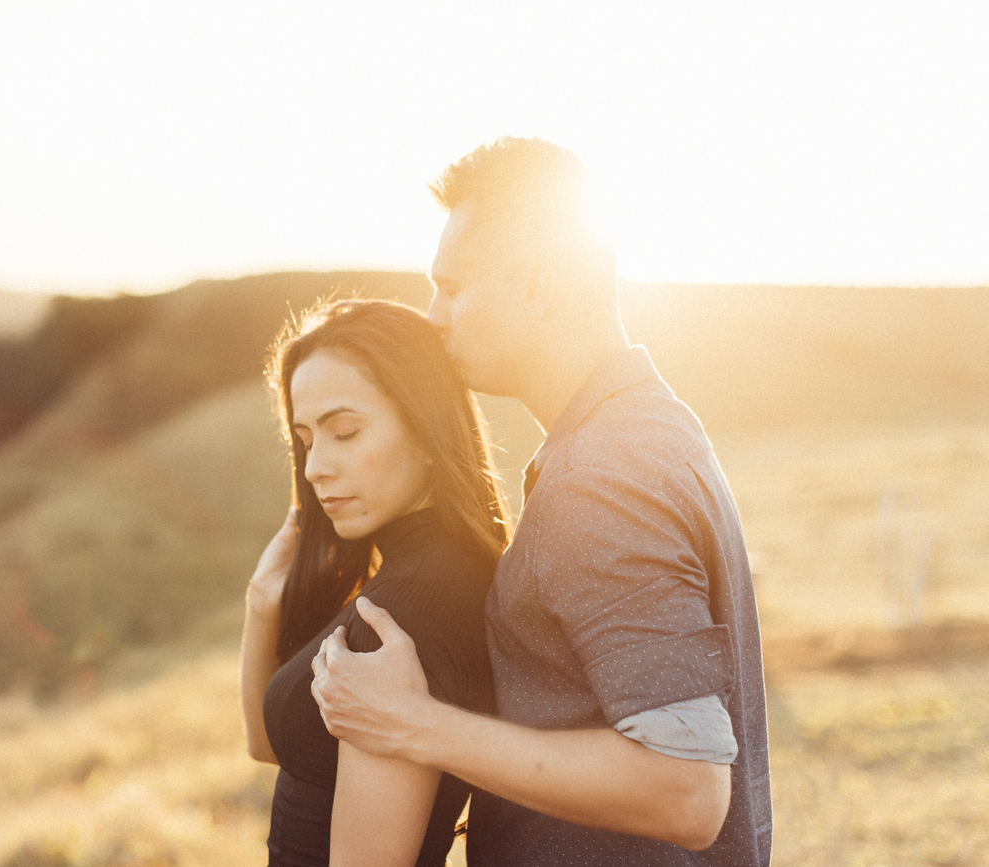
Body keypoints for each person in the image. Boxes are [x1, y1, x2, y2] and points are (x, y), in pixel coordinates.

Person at [310, 138, 773, 866]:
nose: (434, 315)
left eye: (453, 287)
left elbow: (687, 790)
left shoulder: (604, 472)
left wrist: (418, 725)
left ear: (535, 286)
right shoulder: (641, 425)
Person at [240, 298, 511, 866]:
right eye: (307, 440)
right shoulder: (420, 581)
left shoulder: (405, 615)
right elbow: (274, 747)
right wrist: (263, 601)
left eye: (345, 431)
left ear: (426, 426)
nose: (315, 468)